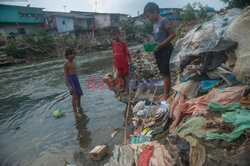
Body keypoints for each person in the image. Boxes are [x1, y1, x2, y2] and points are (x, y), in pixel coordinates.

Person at [144, 2, 176, 103]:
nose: (148, 18)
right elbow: (158, 38)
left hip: (165, 50)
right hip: (159, 51)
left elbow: (173, 34)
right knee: (163, 72)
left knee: (166, 73)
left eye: (148, 16)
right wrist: (154, 46)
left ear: (154, 12)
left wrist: (161, 45)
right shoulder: (155, 25)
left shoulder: (164, 21)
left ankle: (166, 93)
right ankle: (166, 91)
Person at [111, 29, 132, 95]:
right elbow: (114, 52)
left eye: (116, 34)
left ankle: (127, 89)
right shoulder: (113, 43)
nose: (115, 36)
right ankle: (123, 87)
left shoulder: (123, 43)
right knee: (120, 76)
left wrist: (130, 60)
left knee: (126, 76)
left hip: (124, 62)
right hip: (118, 62)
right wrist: (114, 60)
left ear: (119, 34)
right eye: (113, 35)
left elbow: (127, 52)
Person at [64, 48, 83, 115]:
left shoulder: (74, 63)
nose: (74, 55)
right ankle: (75, 111)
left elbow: (75, 73)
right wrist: (69, 85)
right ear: (68, 55)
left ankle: (79, 106)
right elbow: (66, 75)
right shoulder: (66, 64)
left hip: (75, 78)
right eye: (72, 54)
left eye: (74, 54)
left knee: (79, 94)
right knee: (74, 95)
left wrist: (76, 81)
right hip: (70, 79)